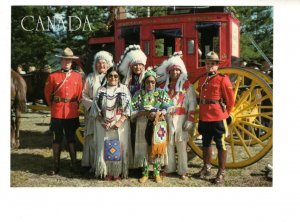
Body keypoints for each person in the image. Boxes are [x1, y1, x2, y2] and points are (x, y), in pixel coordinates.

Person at [156, 53, 197, 180]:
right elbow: (158, 103)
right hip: (167, 119)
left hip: (181, 119)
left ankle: (183, 170)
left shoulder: (187, 86)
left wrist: (190, 119)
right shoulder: (163, 87)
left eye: (177, 69)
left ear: (181, 71)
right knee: (168, 144)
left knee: (181, 145)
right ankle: (169, 168)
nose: (175, 72)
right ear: (169, 71)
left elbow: (192, 104)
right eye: (173, 70)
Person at [196, 51, 235, 184]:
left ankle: (221, 172)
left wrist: (226, 114)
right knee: (205, 143)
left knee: (220, 144)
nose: (210, 66)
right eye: (208, 63)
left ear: (217, 65)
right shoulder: (202, 79)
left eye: (213, 64)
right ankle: (206, 167)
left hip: (218, 117)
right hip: (204, 117)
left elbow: (230, 100)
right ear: (205, 65)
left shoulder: (223, 79)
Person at [44, 47, 83, 175]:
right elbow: (47, 94)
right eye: (65, 60)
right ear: (61, 61)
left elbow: (79, 94)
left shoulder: (77, 76)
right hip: (57, 112)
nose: (67, 62)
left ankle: (74, 164)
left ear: (72, 62)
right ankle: (56, 166)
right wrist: (55, 105)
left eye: (69, 60)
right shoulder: (53, 76)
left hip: (71, 111)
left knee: (72, 138)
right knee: (57, 139)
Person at [131, 69, 174, 183]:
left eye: (152, 82)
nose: (150, 84)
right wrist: (143, 113)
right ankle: (145, 173)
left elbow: (169, 106)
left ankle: (156, 173)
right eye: (148, 82)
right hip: (142, 123)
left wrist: (160, 113)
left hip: (158, 124)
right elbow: (132, 110)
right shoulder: (139, 94)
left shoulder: (161, 93)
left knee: (156, 147)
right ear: (144, 82)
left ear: (155, 83)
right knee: (144, 148)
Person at [90, 66, 131, 180]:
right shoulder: (101, 90)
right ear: (107, 77)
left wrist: (119, 121)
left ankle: (117, 172)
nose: (113, 78)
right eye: (110, 76)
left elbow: (128, 108)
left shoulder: (123, 89)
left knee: (119, 146)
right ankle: (106, 171)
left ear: (119, 78)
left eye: (116, 76)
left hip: (120, 124)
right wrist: (102, 121)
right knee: (104, 146)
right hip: (103, 124)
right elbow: (95, 109)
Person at [81, 51, 114, 173]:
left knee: (107, 139)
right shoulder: (90, 77)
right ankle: (93, 165)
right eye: (99, 63)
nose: (101, 66)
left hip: (109, 115)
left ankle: (108, 165)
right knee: (93, 140)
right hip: (93, 115)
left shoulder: (113, 77)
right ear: (95, 65)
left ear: (108, 64)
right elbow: (84, 95)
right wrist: (93, 107)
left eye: (104, 63)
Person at [117, 44, 147, 169]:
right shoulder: (125, 80)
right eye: (135, 65)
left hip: (143, 114)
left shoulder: (147, 79)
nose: (138, 67)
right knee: (130, 138)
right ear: (131, 66)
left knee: (142, 140)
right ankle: (131, 165)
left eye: (140, 65)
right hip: (129, 114)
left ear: (143, 66)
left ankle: (142, 165)